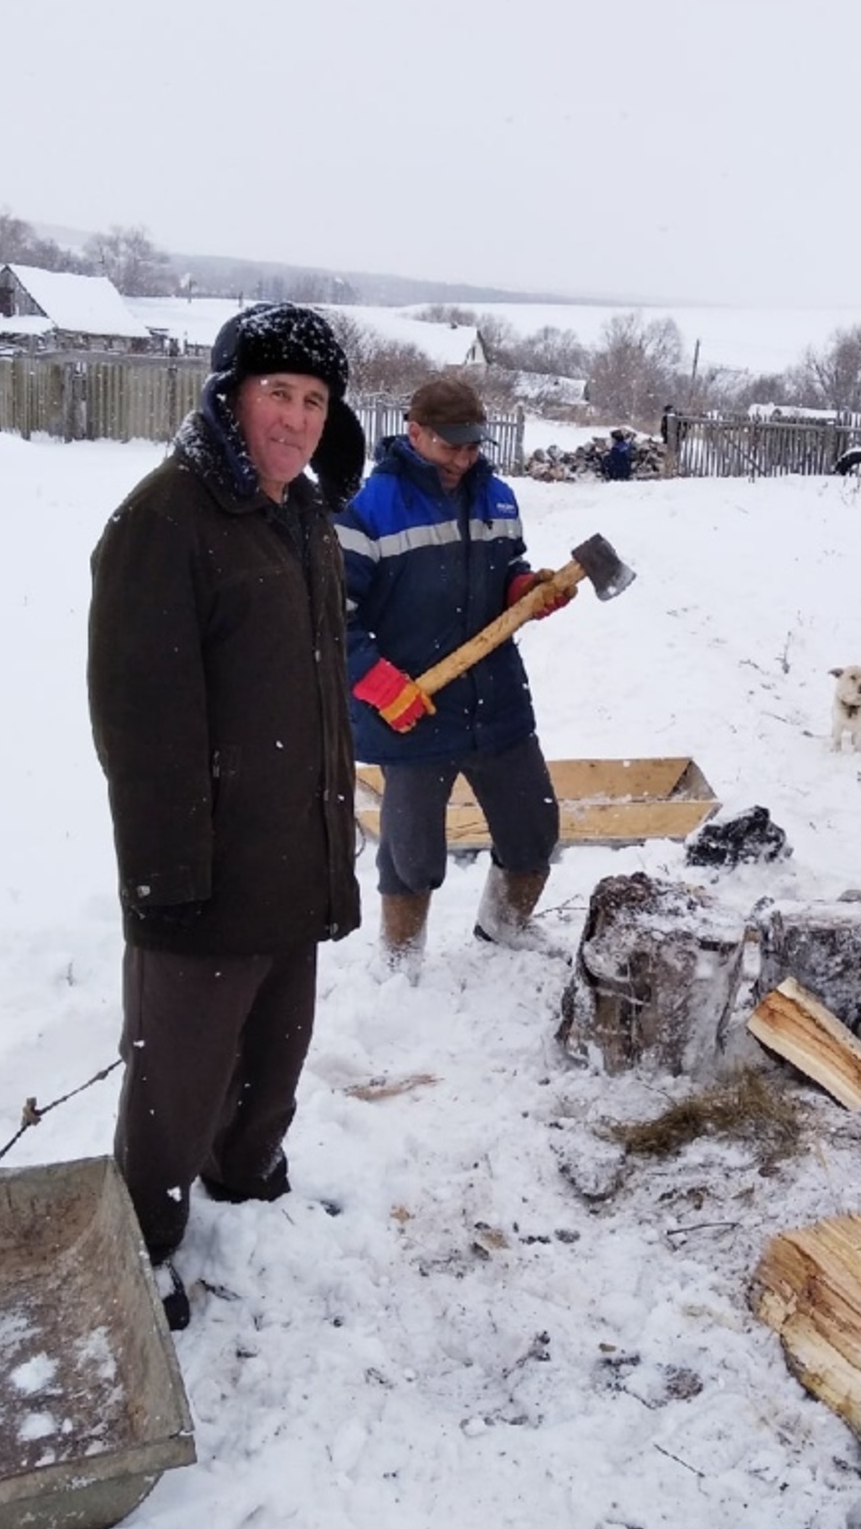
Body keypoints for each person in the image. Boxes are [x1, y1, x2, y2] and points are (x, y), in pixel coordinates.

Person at [87, 303, 365, 1332]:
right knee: (179, 1075)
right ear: (229, 396)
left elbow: (313, 688)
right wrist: (167, 881)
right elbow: (139, 721)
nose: (296, 418)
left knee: (276, 1049)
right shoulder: (165, 520)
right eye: (276, 392)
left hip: (294, 850)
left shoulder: (304, 515)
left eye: (314, 399)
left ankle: (245, 1174)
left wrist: (333, 835)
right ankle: (145, 1237)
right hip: (203, 868)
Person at [335, 374, 569, 968]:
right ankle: (399, 956)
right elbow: (332, 616)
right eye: (451, 445)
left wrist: (525, 590)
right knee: (411, 852)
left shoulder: (499, 497)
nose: (464, 459)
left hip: (496, 699)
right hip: (414, 706)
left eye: (473, 445)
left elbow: (506, 569)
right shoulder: (369, 510)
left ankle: (505, 926)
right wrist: (378, 682)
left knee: (533, 828)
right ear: (414, 432)